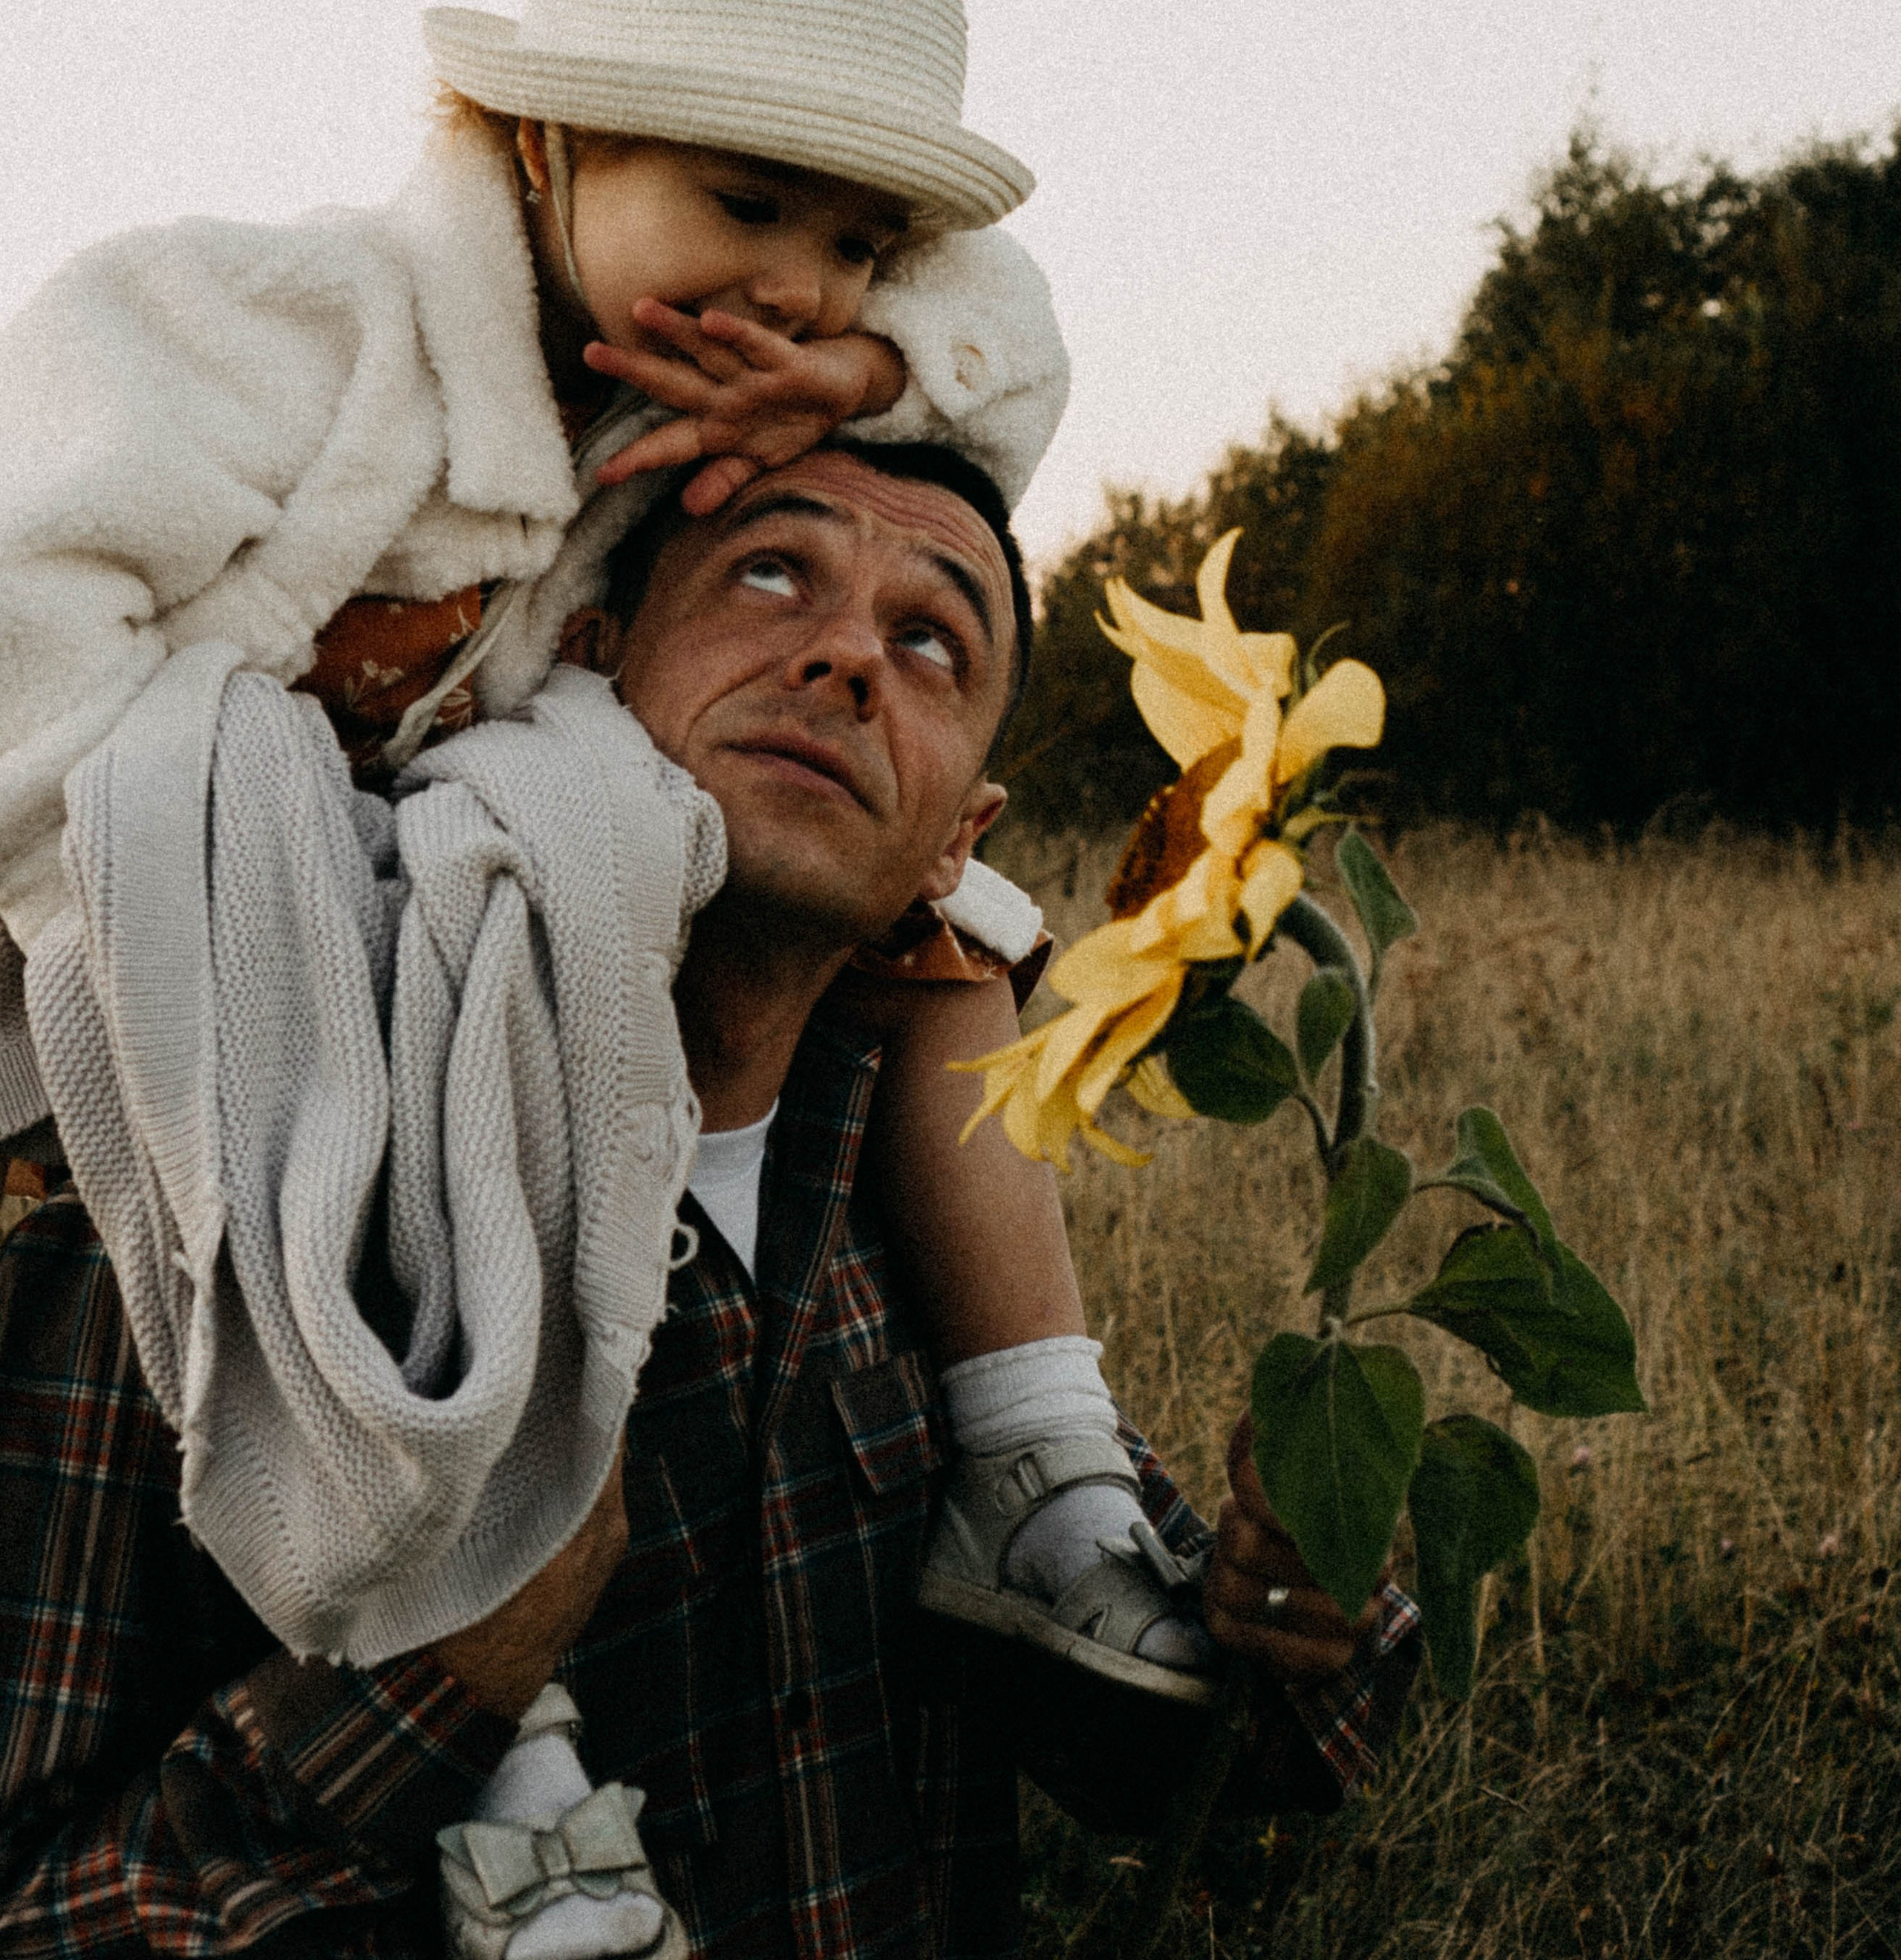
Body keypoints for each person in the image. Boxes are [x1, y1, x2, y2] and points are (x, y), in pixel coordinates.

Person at [0, 0, 1161, 1935]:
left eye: (851, 240)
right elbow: (28, 581)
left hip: (475, 899)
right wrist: (220, 855)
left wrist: (878, 371)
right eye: (745, 201)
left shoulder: (726, 394)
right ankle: (502, 1749)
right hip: (178, 951)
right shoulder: (303, 327)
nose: (796, 287)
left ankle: (1042, 1453)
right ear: (536, 149)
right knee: (392, 1067)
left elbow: (1013, 345)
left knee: (957, 936)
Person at [0, 440, 1419, 1958]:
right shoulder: (205, 1204)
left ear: (960, 839)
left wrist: (1293, 1616)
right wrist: (440, 1684)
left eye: (930, 639)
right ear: (583, 666)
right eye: (769, 572)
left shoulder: (922, 1220)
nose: (846, 655)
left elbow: (1168, 1758)